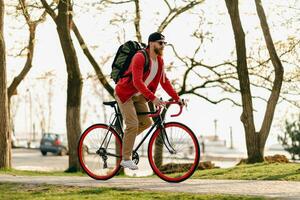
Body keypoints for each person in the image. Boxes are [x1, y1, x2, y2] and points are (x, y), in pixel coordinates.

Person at [114, 32, 182, 170]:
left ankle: (126, 141)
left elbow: (165, 82)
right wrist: (154, 98)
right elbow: (137, 82)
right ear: (151, 44)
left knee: (146, 123)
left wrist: (177, 98)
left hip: (139, 96)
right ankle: (126, 158)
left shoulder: (160, 61)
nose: (163, 46)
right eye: (160, 43)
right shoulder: (140, 57)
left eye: (164, 43)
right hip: (125, 93)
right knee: (132, 124)